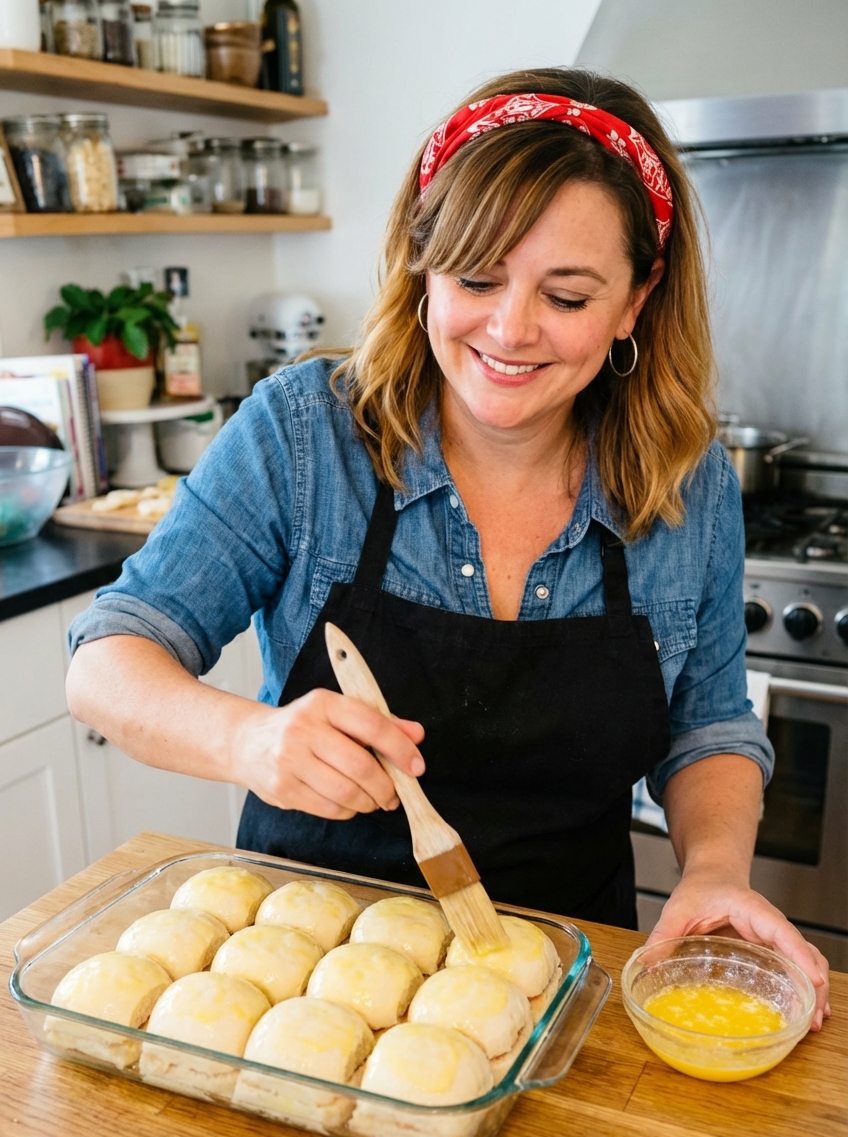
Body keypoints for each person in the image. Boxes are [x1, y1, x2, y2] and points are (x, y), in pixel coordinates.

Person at [66, 67, 829, 1028]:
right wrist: (248, 738)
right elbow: (107, 661)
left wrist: (716, 873)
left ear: (636, 300)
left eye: (569, 294)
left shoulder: (693, 485)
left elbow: (707, 727)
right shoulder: (305, 436)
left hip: (556, 989)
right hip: (292, 986)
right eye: (476, 278)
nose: (510, 330)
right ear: (422, 265)